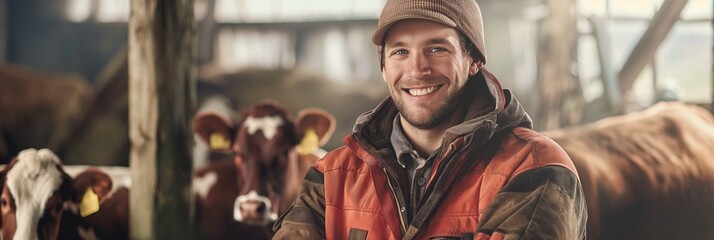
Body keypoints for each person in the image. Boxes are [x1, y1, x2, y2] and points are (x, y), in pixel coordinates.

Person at [273, 0, 587, 239]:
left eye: (436, 48)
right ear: (383, 68)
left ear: (473, 60)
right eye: (400, 52)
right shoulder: (332, 175)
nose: (417, 69)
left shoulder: (533, 166)